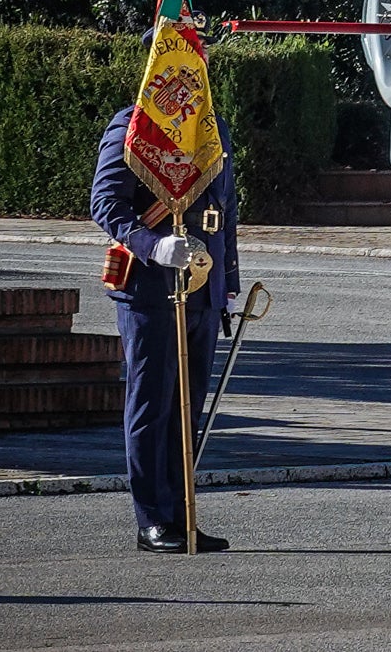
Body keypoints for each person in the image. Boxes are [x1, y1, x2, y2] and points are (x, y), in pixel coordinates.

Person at [89, 105, 242, 553]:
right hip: (152, 286)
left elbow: (225, 209)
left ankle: (182, 515)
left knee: (186, 409)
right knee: (152, 406)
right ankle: (152, 519)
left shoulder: (213, 126)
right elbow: (106, 204)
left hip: (203, 287)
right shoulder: (133, 123)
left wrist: (227, 282)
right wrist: (152, 245)